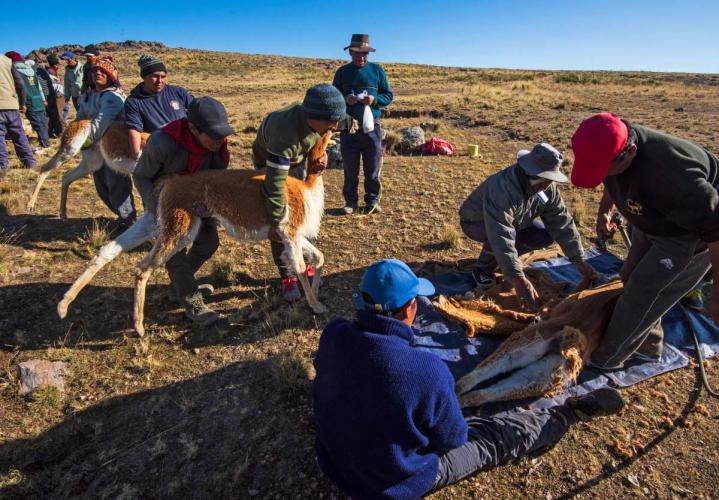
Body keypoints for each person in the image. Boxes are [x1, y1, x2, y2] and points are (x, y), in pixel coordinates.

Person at [313, 258, 625, 498]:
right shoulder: (426, 370)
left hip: (334, 464)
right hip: (392, 483)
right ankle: (567, 413)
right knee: (493, 439)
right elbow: (452, 439)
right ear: (410, 309)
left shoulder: (333, 333)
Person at [570, 112, 719, 369]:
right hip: (650, 218)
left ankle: (606, 358)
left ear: (630, 153)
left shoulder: (677, 178)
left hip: (687, 235)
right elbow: (612, 178)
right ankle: (648, 345)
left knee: (642, 292)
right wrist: (606, 211)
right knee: (629, 277)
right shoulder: (612, 143)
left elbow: (716, 230)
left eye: (604, 169)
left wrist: (717, 292)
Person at [459, 143, 598, 309]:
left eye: (550, 180)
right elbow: (500, 232)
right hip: (475, 221)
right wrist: (517, 277)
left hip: (515, 222)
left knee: (544, 235)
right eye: (544, 179)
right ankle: (482, 269)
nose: (546, 185)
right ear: (529, 171)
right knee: (499, 238)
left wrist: (578, 259)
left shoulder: (547, 189)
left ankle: (505, 261)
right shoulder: (503, 188)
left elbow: (561, 220)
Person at [133, 97, 233, 326]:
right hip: (164, 201)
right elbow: (141, 175)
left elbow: (215, 178)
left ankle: (178, 287)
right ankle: (193, 304)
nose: (220, 140)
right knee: (174, 252)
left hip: (198, 200)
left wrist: (210, 207)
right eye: (213, 134)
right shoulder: (163, 142)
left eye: (222, 133)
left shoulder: (218, 146)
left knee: (209, 243)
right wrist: (155, 209)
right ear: (193, 128)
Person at [251, 83, 345, 302]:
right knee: (283, 218)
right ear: (313, 117)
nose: (335, 126)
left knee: (300, 215)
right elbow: (273, 186)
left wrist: (322, 157)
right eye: (331, 122)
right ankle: (288, 274)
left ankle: (301, 261)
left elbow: (324, 136)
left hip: (297, 158)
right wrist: (275, 223)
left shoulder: (325, 118)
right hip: (271, 162)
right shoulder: (284, 136)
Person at [332, 34, 393, 214]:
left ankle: (372, 201)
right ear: (350, 52)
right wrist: (345, 99)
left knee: (372, 167)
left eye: (365, 53)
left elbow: (388, 95)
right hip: (349, 127)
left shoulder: (377, 71)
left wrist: (374, 99)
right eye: (358, 54)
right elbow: (333, 98)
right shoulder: (342, 73)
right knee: (350, 169)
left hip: (372, 127)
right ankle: (351, 202)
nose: (362, 57)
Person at [76, 56, 136, 227]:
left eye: (103, 71)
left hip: (114, 148)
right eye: (95, 71)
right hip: (96, 148)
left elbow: (99, 125)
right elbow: (80, 118)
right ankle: (122, 216)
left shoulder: (113, 97)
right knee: (102, 186)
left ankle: (128, 220)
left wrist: (81, 140)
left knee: (117, 185)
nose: (98, 74)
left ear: (111, 75)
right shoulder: (89, 95)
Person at [124, 54, 194, 159]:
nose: (160, 81)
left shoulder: (178, 92)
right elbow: (134, 129)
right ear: (144, 77)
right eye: (155, 76)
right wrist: (136, 156)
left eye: (163, 76)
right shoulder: (134, 101)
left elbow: (197, 109)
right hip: (162, 150)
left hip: (189, 144)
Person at [6, 51, 49, 153]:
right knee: (42, 123)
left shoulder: (15, 71)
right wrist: (43, 99)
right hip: (38, 99)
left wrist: (21, 103)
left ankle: (44, 144)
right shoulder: (31, 70)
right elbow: (39, 86)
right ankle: (46, 142)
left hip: (28, 100)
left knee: (37, 124)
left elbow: (18, 88)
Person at [0, 53, 36, 171]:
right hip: (11, 103)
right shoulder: (6, 60)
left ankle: (3, 166)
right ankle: (29, 162)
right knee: (19, 134)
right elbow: (20, 83)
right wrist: (22, 102)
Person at [36, 53, 64, 138]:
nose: (58, 66)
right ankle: (59, 132)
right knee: (56, 115)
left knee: (56, 114)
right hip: (54, 95)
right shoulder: (47, 73)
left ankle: (56, 131)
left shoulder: (54, 72)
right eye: (57, 64)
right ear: (53, 65)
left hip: (58, 95)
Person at [60, 50, 83, 117]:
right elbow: (67, 84)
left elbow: (81, 82)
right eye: (66, 61)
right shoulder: (68, 70)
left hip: (83, 95)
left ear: (73, 58)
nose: (67, 62)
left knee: (86, 113)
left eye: (68, 60)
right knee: (79, 113)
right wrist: (67, 97)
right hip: (74, 96)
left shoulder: (82, 67)